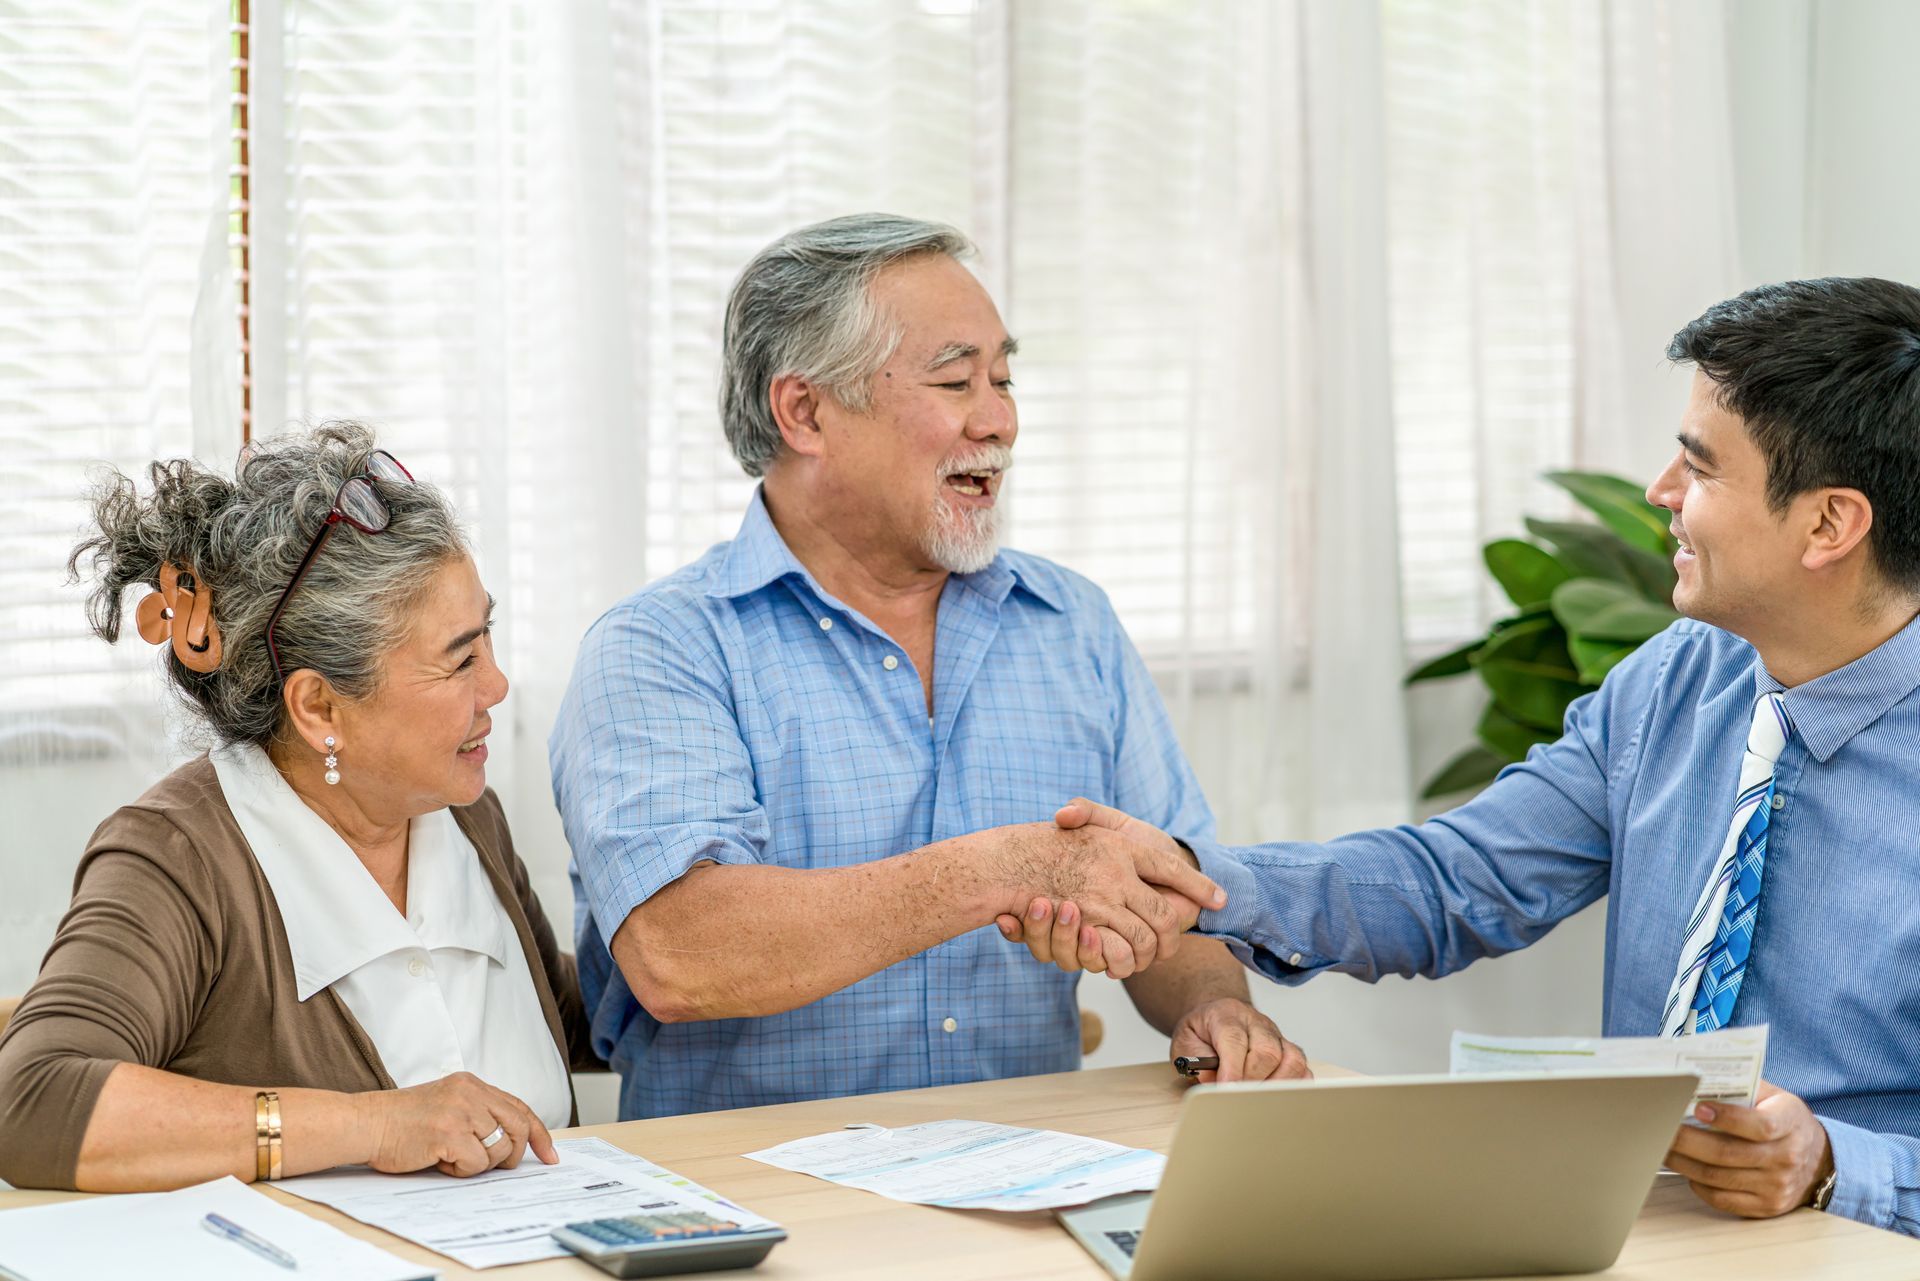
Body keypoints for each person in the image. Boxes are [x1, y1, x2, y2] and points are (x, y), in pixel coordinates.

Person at [1007, 277, 1920, 1236]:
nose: (1661, 492)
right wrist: (1188, 878)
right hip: (1632, 1229)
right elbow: (1456, 879)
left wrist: (1828, 1164)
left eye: (1701, 467)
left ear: (1830, 524)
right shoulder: (1681, 677)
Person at [550, 213, 1303, 1121]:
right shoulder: (660, 648)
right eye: (956, 380)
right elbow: (682, 954)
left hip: (1034, 1187)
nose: (1000, 420)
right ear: (805, 412)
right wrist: (1009, 866)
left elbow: (1173, 897)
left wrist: (1211, 1006)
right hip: (760, 1214)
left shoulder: (1072, 624)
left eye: (1004, 378)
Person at [0, 424, 597, 1192]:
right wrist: (377, 1123)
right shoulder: (178, 854)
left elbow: (556, 1006)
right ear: (318, 706)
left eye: (489, 639)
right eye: (460, 659)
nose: (498, 688)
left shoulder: (462, 810)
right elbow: (34, 1101)